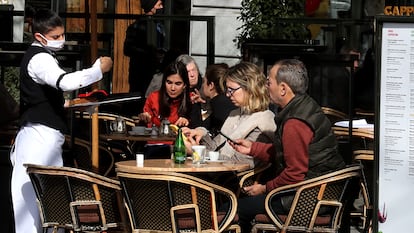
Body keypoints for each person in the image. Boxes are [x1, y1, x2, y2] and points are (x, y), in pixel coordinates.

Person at [9, 9, 113, 233]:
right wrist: (98, 70)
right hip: (38, 139)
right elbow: (64, 82)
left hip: (45, 138)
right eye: (56, 37)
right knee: (31, 209)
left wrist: (68, 105)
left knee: (48, 206)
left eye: (62, 35)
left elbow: (47, 96)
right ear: (39, 37)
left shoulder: (43, 56)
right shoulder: (40, 58)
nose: (61, 41)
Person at [229, 59, 346, 233]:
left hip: (307, 199)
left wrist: (264, 188)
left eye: (269, 82)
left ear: (283, 89)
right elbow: (289, 152)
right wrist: (253, 148)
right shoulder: (305, 105)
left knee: (232, 210)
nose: (266, 86)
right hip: (318, 192)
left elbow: (295, 173)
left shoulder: (295, 122)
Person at [183, 61, 277, 169]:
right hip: (216, 177)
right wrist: (198, 135)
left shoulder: (263, 122)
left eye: (232, 90)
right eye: (227, 90)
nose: (228, 94)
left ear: (249, 88)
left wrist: (195, 152)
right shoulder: (236, 114)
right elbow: (216, 147)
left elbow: (240, 163)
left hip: (230, 182)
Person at [137, 60, 194, 158]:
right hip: (155, 146)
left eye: (178, 83)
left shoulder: (191, 99)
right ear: (164, 82)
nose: (172, 88)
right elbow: (145, 126)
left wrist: (187, 121)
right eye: (169, 82)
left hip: (182, 148)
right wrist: (145, 118)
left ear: (185, 85)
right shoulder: (154, 98)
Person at [123, 0, 164, 96]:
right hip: (140, 72)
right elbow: (128, 49)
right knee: (138, 99)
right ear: (151, 7)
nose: (161, 7)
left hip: (156, 70)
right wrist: (149, 53)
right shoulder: (137, 26)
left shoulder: (160, 26)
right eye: (159, 5)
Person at [198, 63, 237, 136]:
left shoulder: (220, 105)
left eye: (204, 81)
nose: (202, 85)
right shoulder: (222, 102)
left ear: (211, 85)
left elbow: (202, 128)